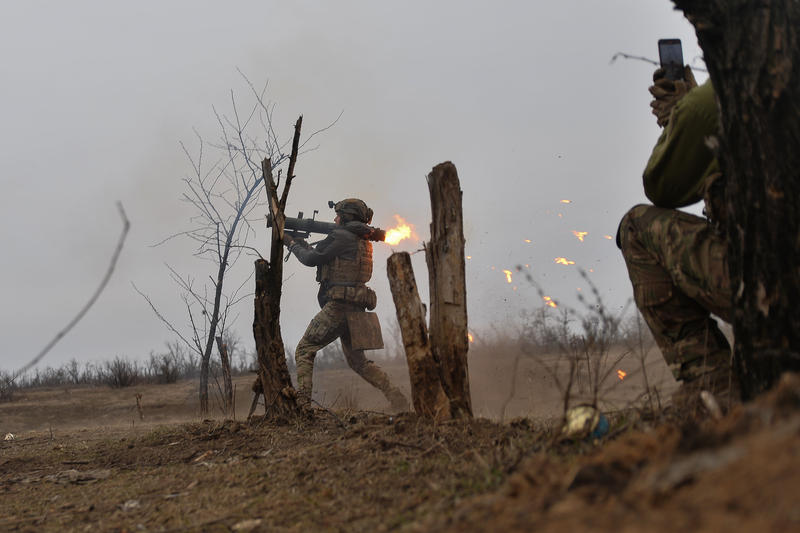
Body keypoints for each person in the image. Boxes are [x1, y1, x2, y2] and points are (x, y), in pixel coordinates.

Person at [617, 66, 738, 406]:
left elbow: (663, 185)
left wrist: (682, 120)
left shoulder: (725, 91)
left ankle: (714, 386)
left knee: (637, 227)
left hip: (768, 280)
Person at [283, 198, 408, 411]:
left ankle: (303, 406)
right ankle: (397, 397)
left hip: (338, 307)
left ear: (346, 217)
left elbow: (311, 259)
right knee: (358, 362)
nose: (334, 219)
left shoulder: (342, 236)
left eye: (338, 215)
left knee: (305, 349)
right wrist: (300, 243)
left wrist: (292, 243)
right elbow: (320, 254)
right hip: (357, 308)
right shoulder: (362, 240)